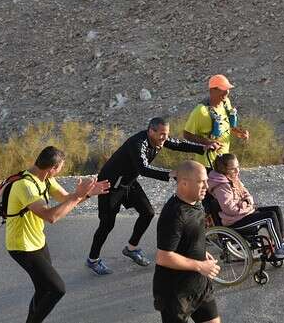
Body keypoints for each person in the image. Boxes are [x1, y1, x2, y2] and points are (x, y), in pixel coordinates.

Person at [86, 117, 215, 274]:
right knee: (107, 225)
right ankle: (93, 259)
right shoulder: (138, 143)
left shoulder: (159, 140)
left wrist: (203, 148)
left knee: (148, 213)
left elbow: (177, 144)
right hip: (109, 185)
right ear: (150, 131)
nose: (165, 138)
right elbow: (143, 169)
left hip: (129, 183)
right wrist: (170, 174)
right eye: (161, 134)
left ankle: (131, 248)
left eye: (166, 134)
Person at [6, 146, 110, 323]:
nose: (61, 169)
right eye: (60, 166)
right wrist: (78, 196)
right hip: (22, 246)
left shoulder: (46, 179)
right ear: (52, 168)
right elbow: (51, 216)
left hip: (38, 242)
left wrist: (86, 194)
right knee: (57, 289)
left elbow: (66, 200)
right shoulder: (24, 185)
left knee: (43, 289)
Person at [153, 160, 221, 323]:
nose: (207, 185)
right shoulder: (174, 215)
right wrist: (200, 265)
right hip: (175, 293)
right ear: (183, 183)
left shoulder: (197, 201)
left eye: (206, 180)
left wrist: (200, 252)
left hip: (199, 286)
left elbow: (190, 236)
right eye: (201, 182)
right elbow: (163, 257)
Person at [207, 153, 284, 259]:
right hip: (235, 221)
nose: (237, 171)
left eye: (238, 167)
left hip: (244, 213)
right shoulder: (221, 186)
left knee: (276, 209)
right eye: (233, 169)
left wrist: (247, 202)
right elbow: (230, 209)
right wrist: (246, 204)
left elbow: (248, 195)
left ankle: (282, 241)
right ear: (224, 169)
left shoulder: (234, 179)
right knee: (269, 217)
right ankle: (280, 249)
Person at [183, 74, 249, 168]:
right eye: (223, 89)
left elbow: (227, 126)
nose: (226, 92)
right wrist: (208, 142)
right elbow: (187, 134)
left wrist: (239, 132)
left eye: (228, 89)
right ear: (212, 91)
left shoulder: (226, 103)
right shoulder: (200, 111)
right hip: (208, 163)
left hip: (223, 160)